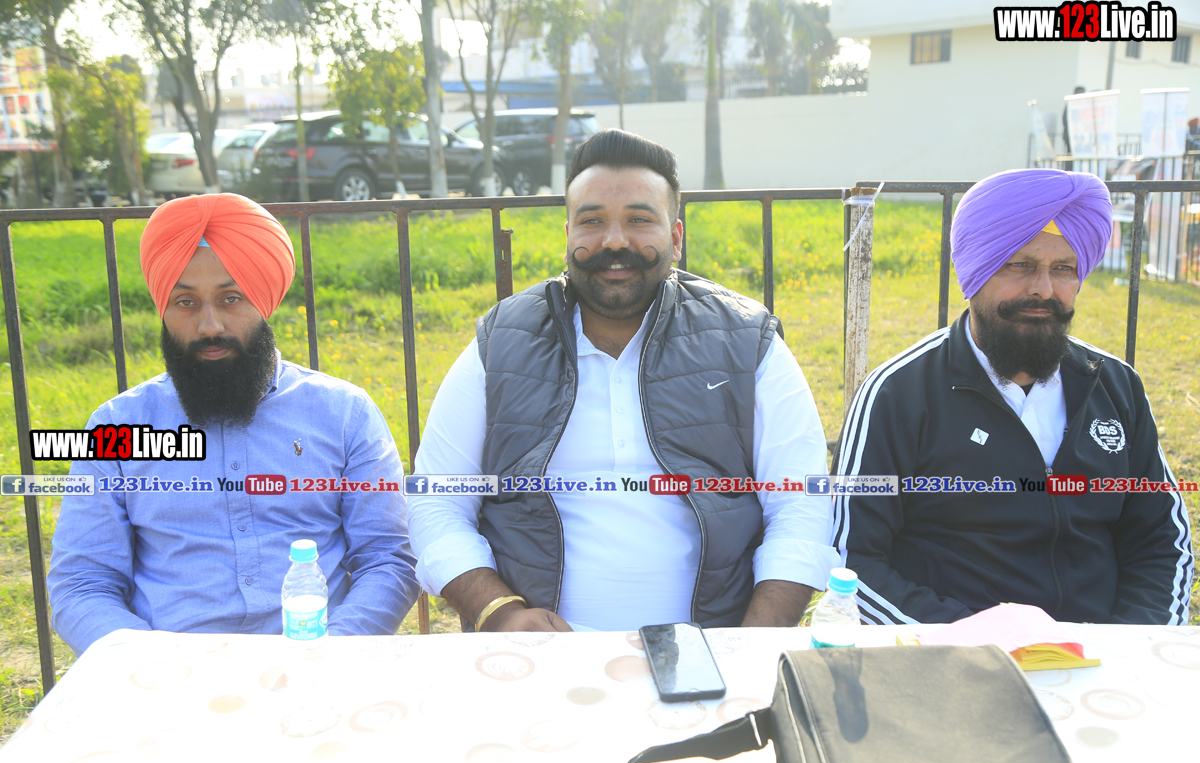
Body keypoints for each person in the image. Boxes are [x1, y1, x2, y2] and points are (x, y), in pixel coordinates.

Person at [408, 129, 838, 633]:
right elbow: (437, 498)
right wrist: (501, 615)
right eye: (592, 221)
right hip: (539, 659)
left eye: (639, 219)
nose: (614, 241)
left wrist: (747, 648)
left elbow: (800, 504)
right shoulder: (502, 342)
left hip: (712, 650)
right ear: (568, 235)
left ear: (676, 237)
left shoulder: (746, 341)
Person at [48, 193, 420, 654]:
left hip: (319, 661)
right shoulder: (117, 427)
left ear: (263, 301)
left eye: (231, 298)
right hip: (166, 670)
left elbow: (387, 560)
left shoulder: (344, 413)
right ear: (164, 311)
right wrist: (153, 664)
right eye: (185, 302)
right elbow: (82, 583)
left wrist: (330, 653)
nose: (209, 326)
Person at [833, 169, 1193, 625]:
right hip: (956, 651)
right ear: (976, 270)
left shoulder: (1115, 386)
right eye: (1019, 265)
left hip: (1099, 651)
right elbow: (851, 560)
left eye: (1063, 269)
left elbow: (1162, 540)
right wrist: (968, 639)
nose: (1043, 288)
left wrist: (1129, 644)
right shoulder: (899, 393)